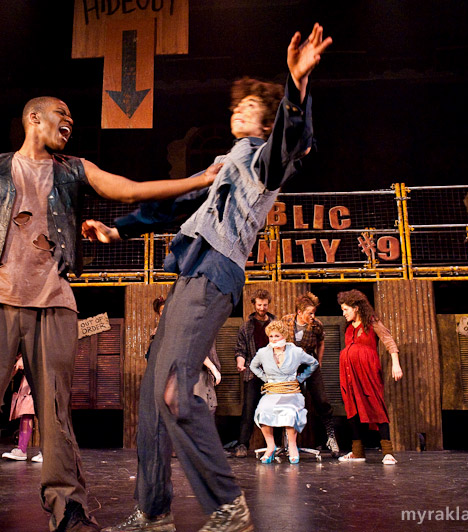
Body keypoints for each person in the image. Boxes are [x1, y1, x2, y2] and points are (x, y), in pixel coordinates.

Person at [0, 95, 222, 532]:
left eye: (72, 117)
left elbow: (128, 188)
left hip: (53, 303)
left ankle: (69, 510)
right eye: (63, 115)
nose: (70, 122)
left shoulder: (74, 168)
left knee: (55, 413)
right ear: (34, 119)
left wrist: (197, 178)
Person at [83, 23, 331, 532]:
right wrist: (118, 230)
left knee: (177, 391)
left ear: (265, 122)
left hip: (215, 273)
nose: (238, 110)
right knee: (154, 397)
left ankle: (228, 505)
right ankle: (152, 513)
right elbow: (174, 206)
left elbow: (292, 141)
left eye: (250, 108)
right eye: (235, 106)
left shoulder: (264, 161)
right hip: (186, 277)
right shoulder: (225, 162)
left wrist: (297, 86)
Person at [336, 289, 403, 465]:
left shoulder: (371, 323)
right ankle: (357, 452)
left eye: (346, 309)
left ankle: (388, 452)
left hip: (368, 373)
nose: (344, 314)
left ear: (356, 308)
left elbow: (389, 341)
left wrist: (395, 363)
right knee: (352, 408)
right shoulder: (349, 327)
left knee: (376, 406)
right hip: (349, 373)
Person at [249, 321, 318, 464]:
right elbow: (253, 366)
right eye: (271, 336)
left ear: (284, 336)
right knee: (262, 411)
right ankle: (270, 446)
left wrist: (300, 378)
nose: (273, 339)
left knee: (290, 412)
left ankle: (292, 446)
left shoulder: (296, 352)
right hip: (272, 392)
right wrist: (265, 378)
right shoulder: (263, 352)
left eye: (277, 336)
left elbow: (313, 363)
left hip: (290, 392)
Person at [280, 292, 340, 456]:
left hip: (309, 363)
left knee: (321, 400)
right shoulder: (286, 321)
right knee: (290, 401)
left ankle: (330, 437)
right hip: (291, 365)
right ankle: (288, 440)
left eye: (314, 313)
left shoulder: (316, 325)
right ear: (299, 312)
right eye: (309, 313)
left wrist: (319, 361)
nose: (313, 316)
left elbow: (321, 342)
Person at [232, 290, 275, 458]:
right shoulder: (246, 326)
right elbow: (240, 349)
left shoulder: (274, 323)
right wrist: (240, 363)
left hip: (272, 373)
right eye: (259, 305)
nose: (262, 308)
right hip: (252, 372)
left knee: (274, 409)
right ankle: (242, 444)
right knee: (249, 409)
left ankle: (274, 445)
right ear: (254, 304)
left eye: (265, 305)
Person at [1, 355, 43, 463]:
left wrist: (25, 358)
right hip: (30, 375)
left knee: (45, 413)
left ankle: (47, 452)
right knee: (26, 411)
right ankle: (22, 449)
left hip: (43, 372)